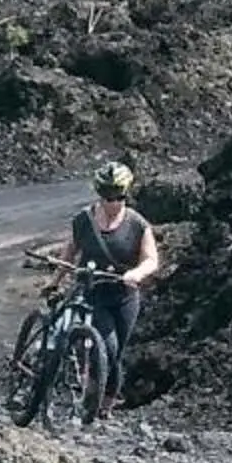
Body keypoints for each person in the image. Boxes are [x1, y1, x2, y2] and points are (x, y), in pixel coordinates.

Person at [55, 158, 161, 415]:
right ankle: (92, 394)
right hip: (93, 293)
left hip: (124, 295)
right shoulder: (83, 220)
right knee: (107, 344)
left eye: (118, 196)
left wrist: (136, 274)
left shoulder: (137, 224)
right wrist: (55, 281)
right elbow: (70, 252)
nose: (112, 202)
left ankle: (106, 404)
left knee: (117, 352)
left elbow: (151, 260)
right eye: (106, 196)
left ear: (126, 194)